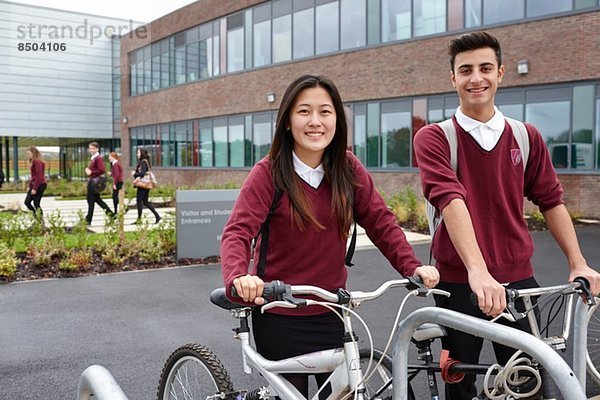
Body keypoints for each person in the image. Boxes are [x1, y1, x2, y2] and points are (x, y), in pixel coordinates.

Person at [221, 74, 439, 397]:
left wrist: (412, 267)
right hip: (279, 313)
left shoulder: (348, 170)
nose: (315, 121)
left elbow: (382, 223)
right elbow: (237, 233)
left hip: (333, 312)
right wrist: (240, 277)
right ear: (287, 121)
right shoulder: (268, 174)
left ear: (337, 119)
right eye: (304, 112)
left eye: (325, 112)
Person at [413, 31, 600, 399]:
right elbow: (450, 199)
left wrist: (578, 262)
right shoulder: (435, 138)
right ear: (453, 79)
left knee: (525, 381)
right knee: (461, 384)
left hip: (518, 281)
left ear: (500, 73)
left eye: (485, 68)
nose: (475, 78)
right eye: (465, 70)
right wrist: (477, 271)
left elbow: (550, 200)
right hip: (458, 285)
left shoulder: (525, 136)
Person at [84, 142, 114, 225]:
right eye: (90, 148)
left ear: (97, 149)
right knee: (97, 200)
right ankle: (111, 215)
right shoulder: (93, 158)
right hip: (93, 181)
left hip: (94, 182)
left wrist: (91, 172)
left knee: (91, 200)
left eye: (93, 148)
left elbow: (101, 170)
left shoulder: (98, 158)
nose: (91, 150)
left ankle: (88, 219)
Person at [132, 148, 161, 224]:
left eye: (138, 153)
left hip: (143, 185)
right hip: (146, 184)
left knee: (139, 201)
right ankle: (157, 216)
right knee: (145, 202)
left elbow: (142, 173)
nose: (137, 154)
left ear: (142, 154)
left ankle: (139, 219)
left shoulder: (143, 162)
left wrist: (134, 174)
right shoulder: (145, 162)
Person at [24, 146, 47, 216]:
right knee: (27, 202)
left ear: (33, 153)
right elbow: (33, 176)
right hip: (35, 184)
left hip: (40, 184)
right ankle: (35, 216)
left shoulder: (38, 162)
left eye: (29, 154)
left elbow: (39, 176)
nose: (28, 156)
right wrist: (30, 186)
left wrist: (34, 188)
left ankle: (39, 219)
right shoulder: (34, 161)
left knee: (36, 203)